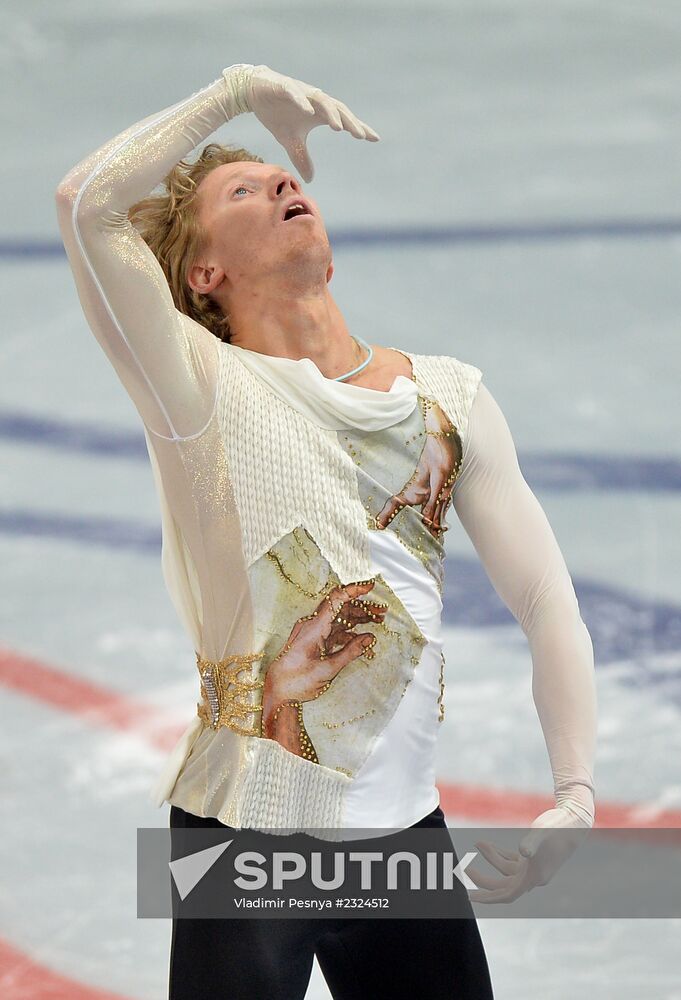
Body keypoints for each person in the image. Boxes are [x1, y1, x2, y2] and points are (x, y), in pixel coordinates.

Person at [55, 63, 597, 999]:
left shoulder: (447, 397)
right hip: (249, 834)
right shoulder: (199, 388)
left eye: (283, 177)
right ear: (203, 273)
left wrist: (575, 792)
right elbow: (84, 203)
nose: (279, 181)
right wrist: (232, 91)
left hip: (401, 840)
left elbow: (546, 600)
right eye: (243, 188)